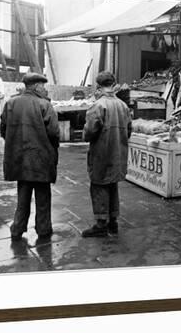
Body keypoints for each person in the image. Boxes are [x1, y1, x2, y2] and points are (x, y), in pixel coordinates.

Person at [0, 72, 60, 241]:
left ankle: (17, 228)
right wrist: (52, 149)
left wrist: (15, 143)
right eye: (42, 86)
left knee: (23, 195)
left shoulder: (11, 103)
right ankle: (43, 228)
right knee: (43, 196)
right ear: (35, 86)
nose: (44, 89)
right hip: (41, 158)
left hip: (20, 158)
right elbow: (54, 133)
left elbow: (3, 128)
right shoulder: (44, 105)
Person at [82, 71, 132, 237]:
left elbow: (89, 131)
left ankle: (101, 223)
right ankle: (113, 222)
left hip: (101, 153)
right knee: (112, 185)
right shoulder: (123, 106)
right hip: (118, 152)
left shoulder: (98, 105)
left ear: (98, 85)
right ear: (113, 83)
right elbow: (129, 130)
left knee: (99, 185)